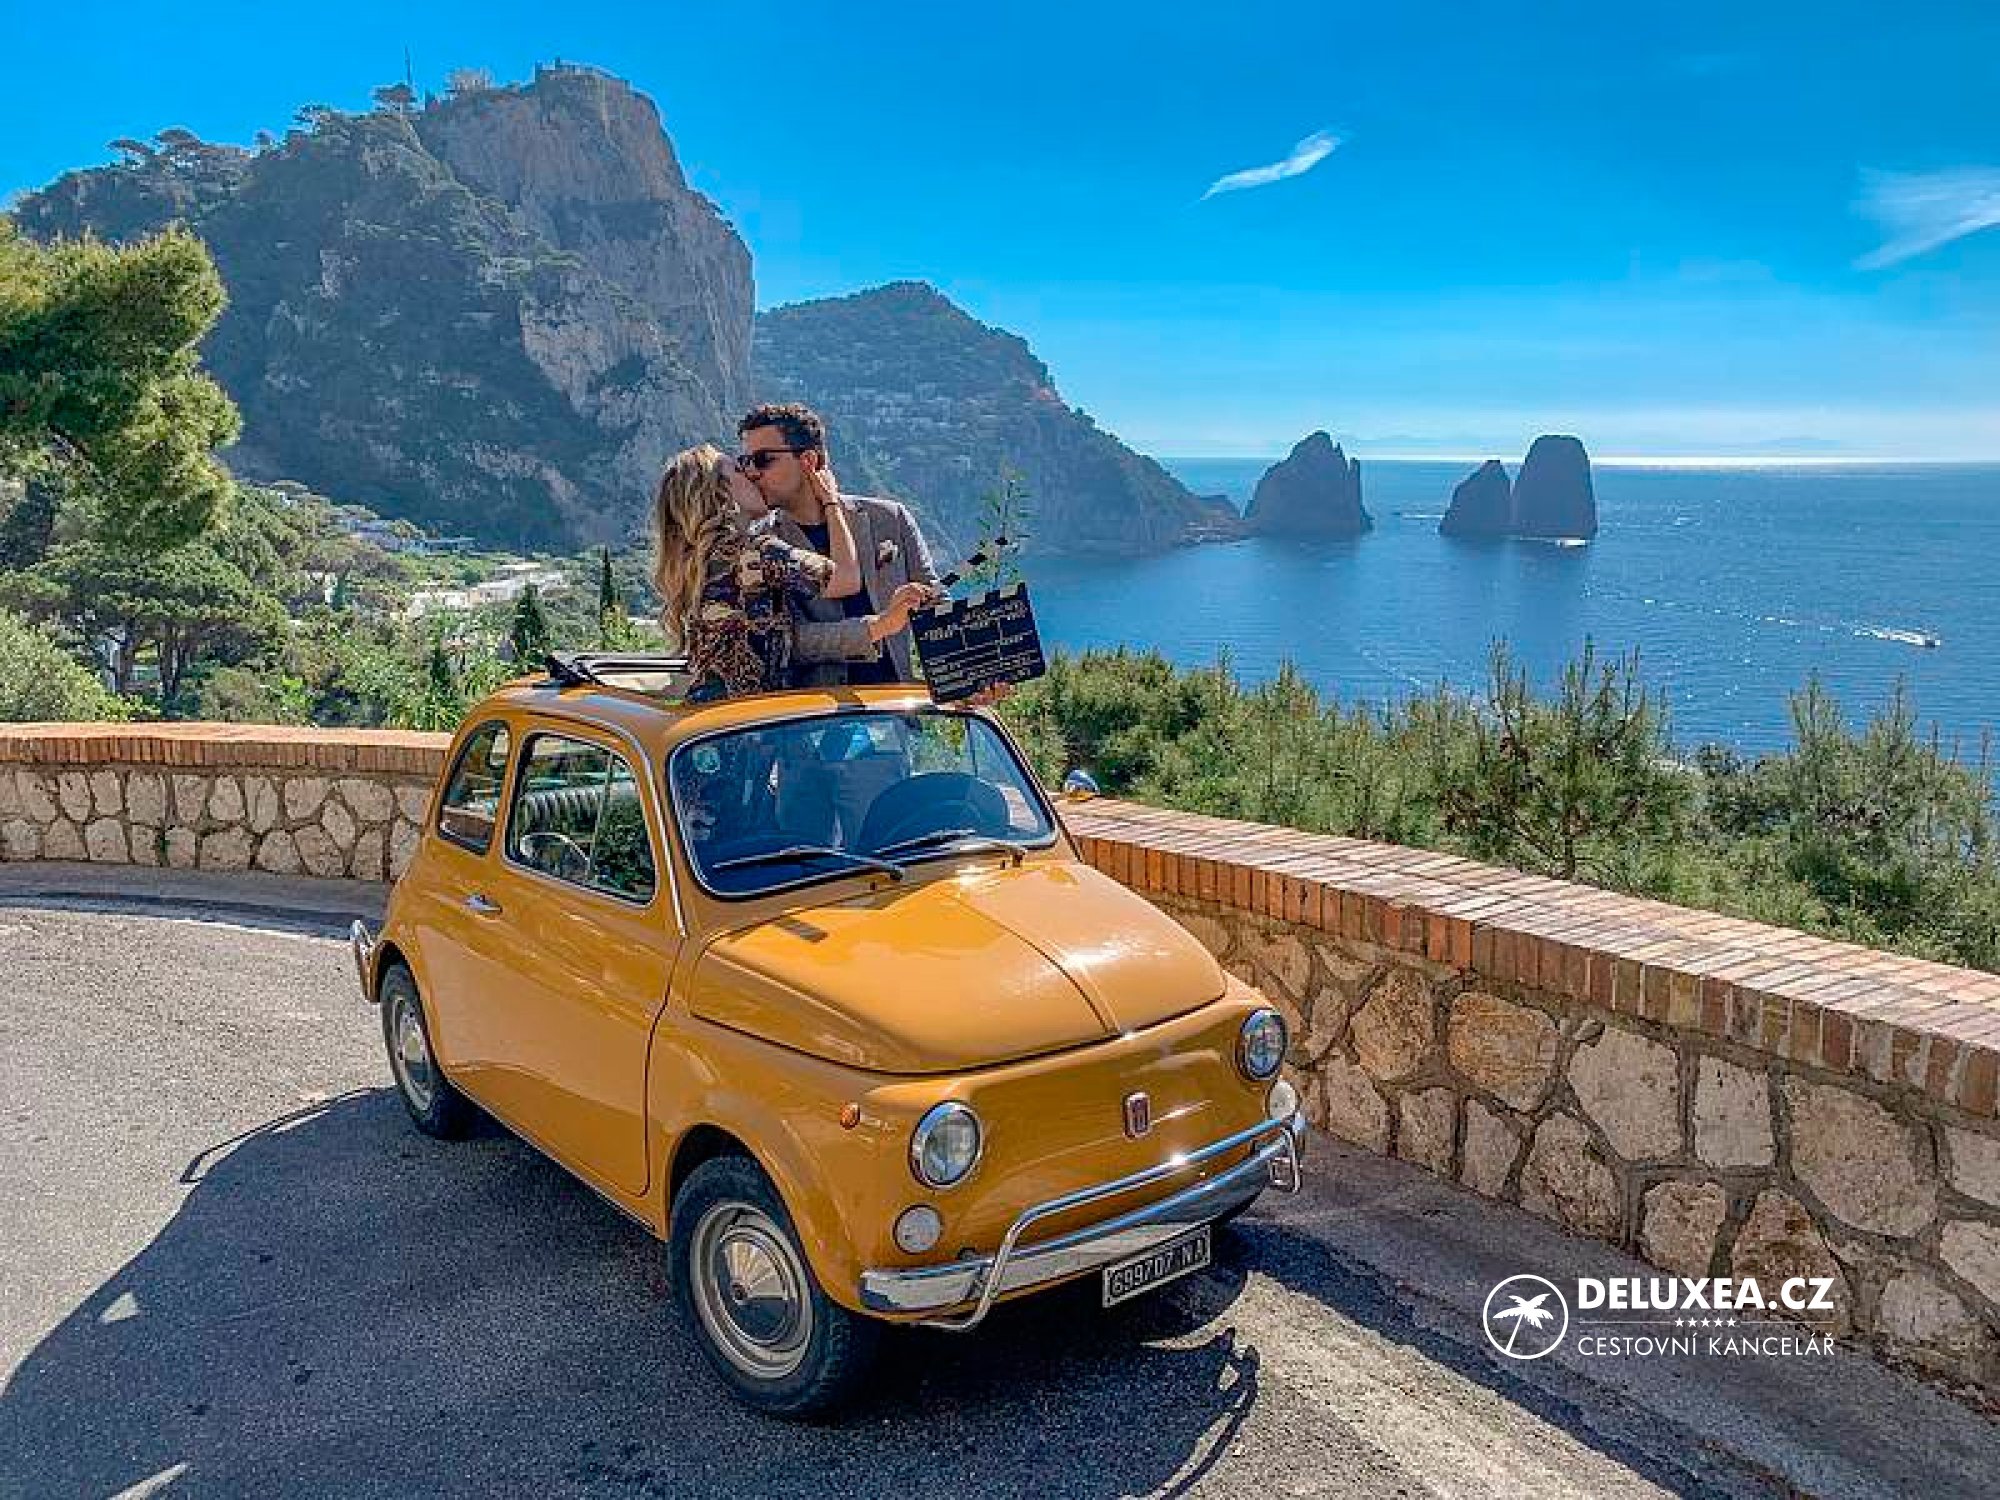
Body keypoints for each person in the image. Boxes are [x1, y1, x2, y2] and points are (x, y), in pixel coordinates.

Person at [650, 443, 928, 702]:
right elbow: (846, 579)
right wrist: (831, 502)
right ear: (722, 492)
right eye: (738, 469)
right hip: (751, 718)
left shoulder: (698, 562)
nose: (751, 474)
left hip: (710, 716)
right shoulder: (758, 552)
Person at [735, 403, 941, 687]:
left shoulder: (889, 518)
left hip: (894, 707)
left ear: (808, 460)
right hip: (814, 711)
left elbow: (934, 601)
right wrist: (878, 627)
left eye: (762, 460)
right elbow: (787, 641)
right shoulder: (762, 544)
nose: (751, 473)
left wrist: (970, 677)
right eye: (745, 462)